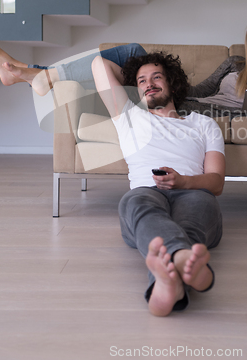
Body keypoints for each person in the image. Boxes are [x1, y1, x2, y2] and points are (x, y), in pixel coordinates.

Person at [91, 50, 225, 315]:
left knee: (195, 214)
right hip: (146, 192)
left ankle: (167, 283)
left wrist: (185, 181)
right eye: (141, 81)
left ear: (172, 82)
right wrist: (133, 74)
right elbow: (99, 63)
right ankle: (185, 264)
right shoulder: (128, 115)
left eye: (156, 77)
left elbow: (217, 182)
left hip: (193, 191)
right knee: (136, 203)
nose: (149, 84)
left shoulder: (204, 124)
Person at [0, 14, 247, 118]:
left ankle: (31, 73)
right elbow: (200, 91)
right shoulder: (234, 64)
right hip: (183, 100)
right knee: (129, 54)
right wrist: (165, 81)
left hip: (193, 113)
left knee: (121, 60)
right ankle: (35, 73)